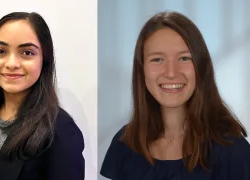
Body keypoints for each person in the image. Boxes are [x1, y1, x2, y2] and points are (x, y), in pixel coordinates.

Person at [100, 11, 250, 180]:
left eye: (184, 58)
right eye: (157, 59)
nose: (171, 73)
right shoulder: (125, 144)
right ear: (142, 70)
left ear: (201, 66)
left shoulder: (233, 151)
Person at [0, 12, 85, 180]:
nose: (11, 64)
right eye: (1, 51)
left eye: (27, 53)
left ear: (44, 60)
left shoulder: (60, 130)